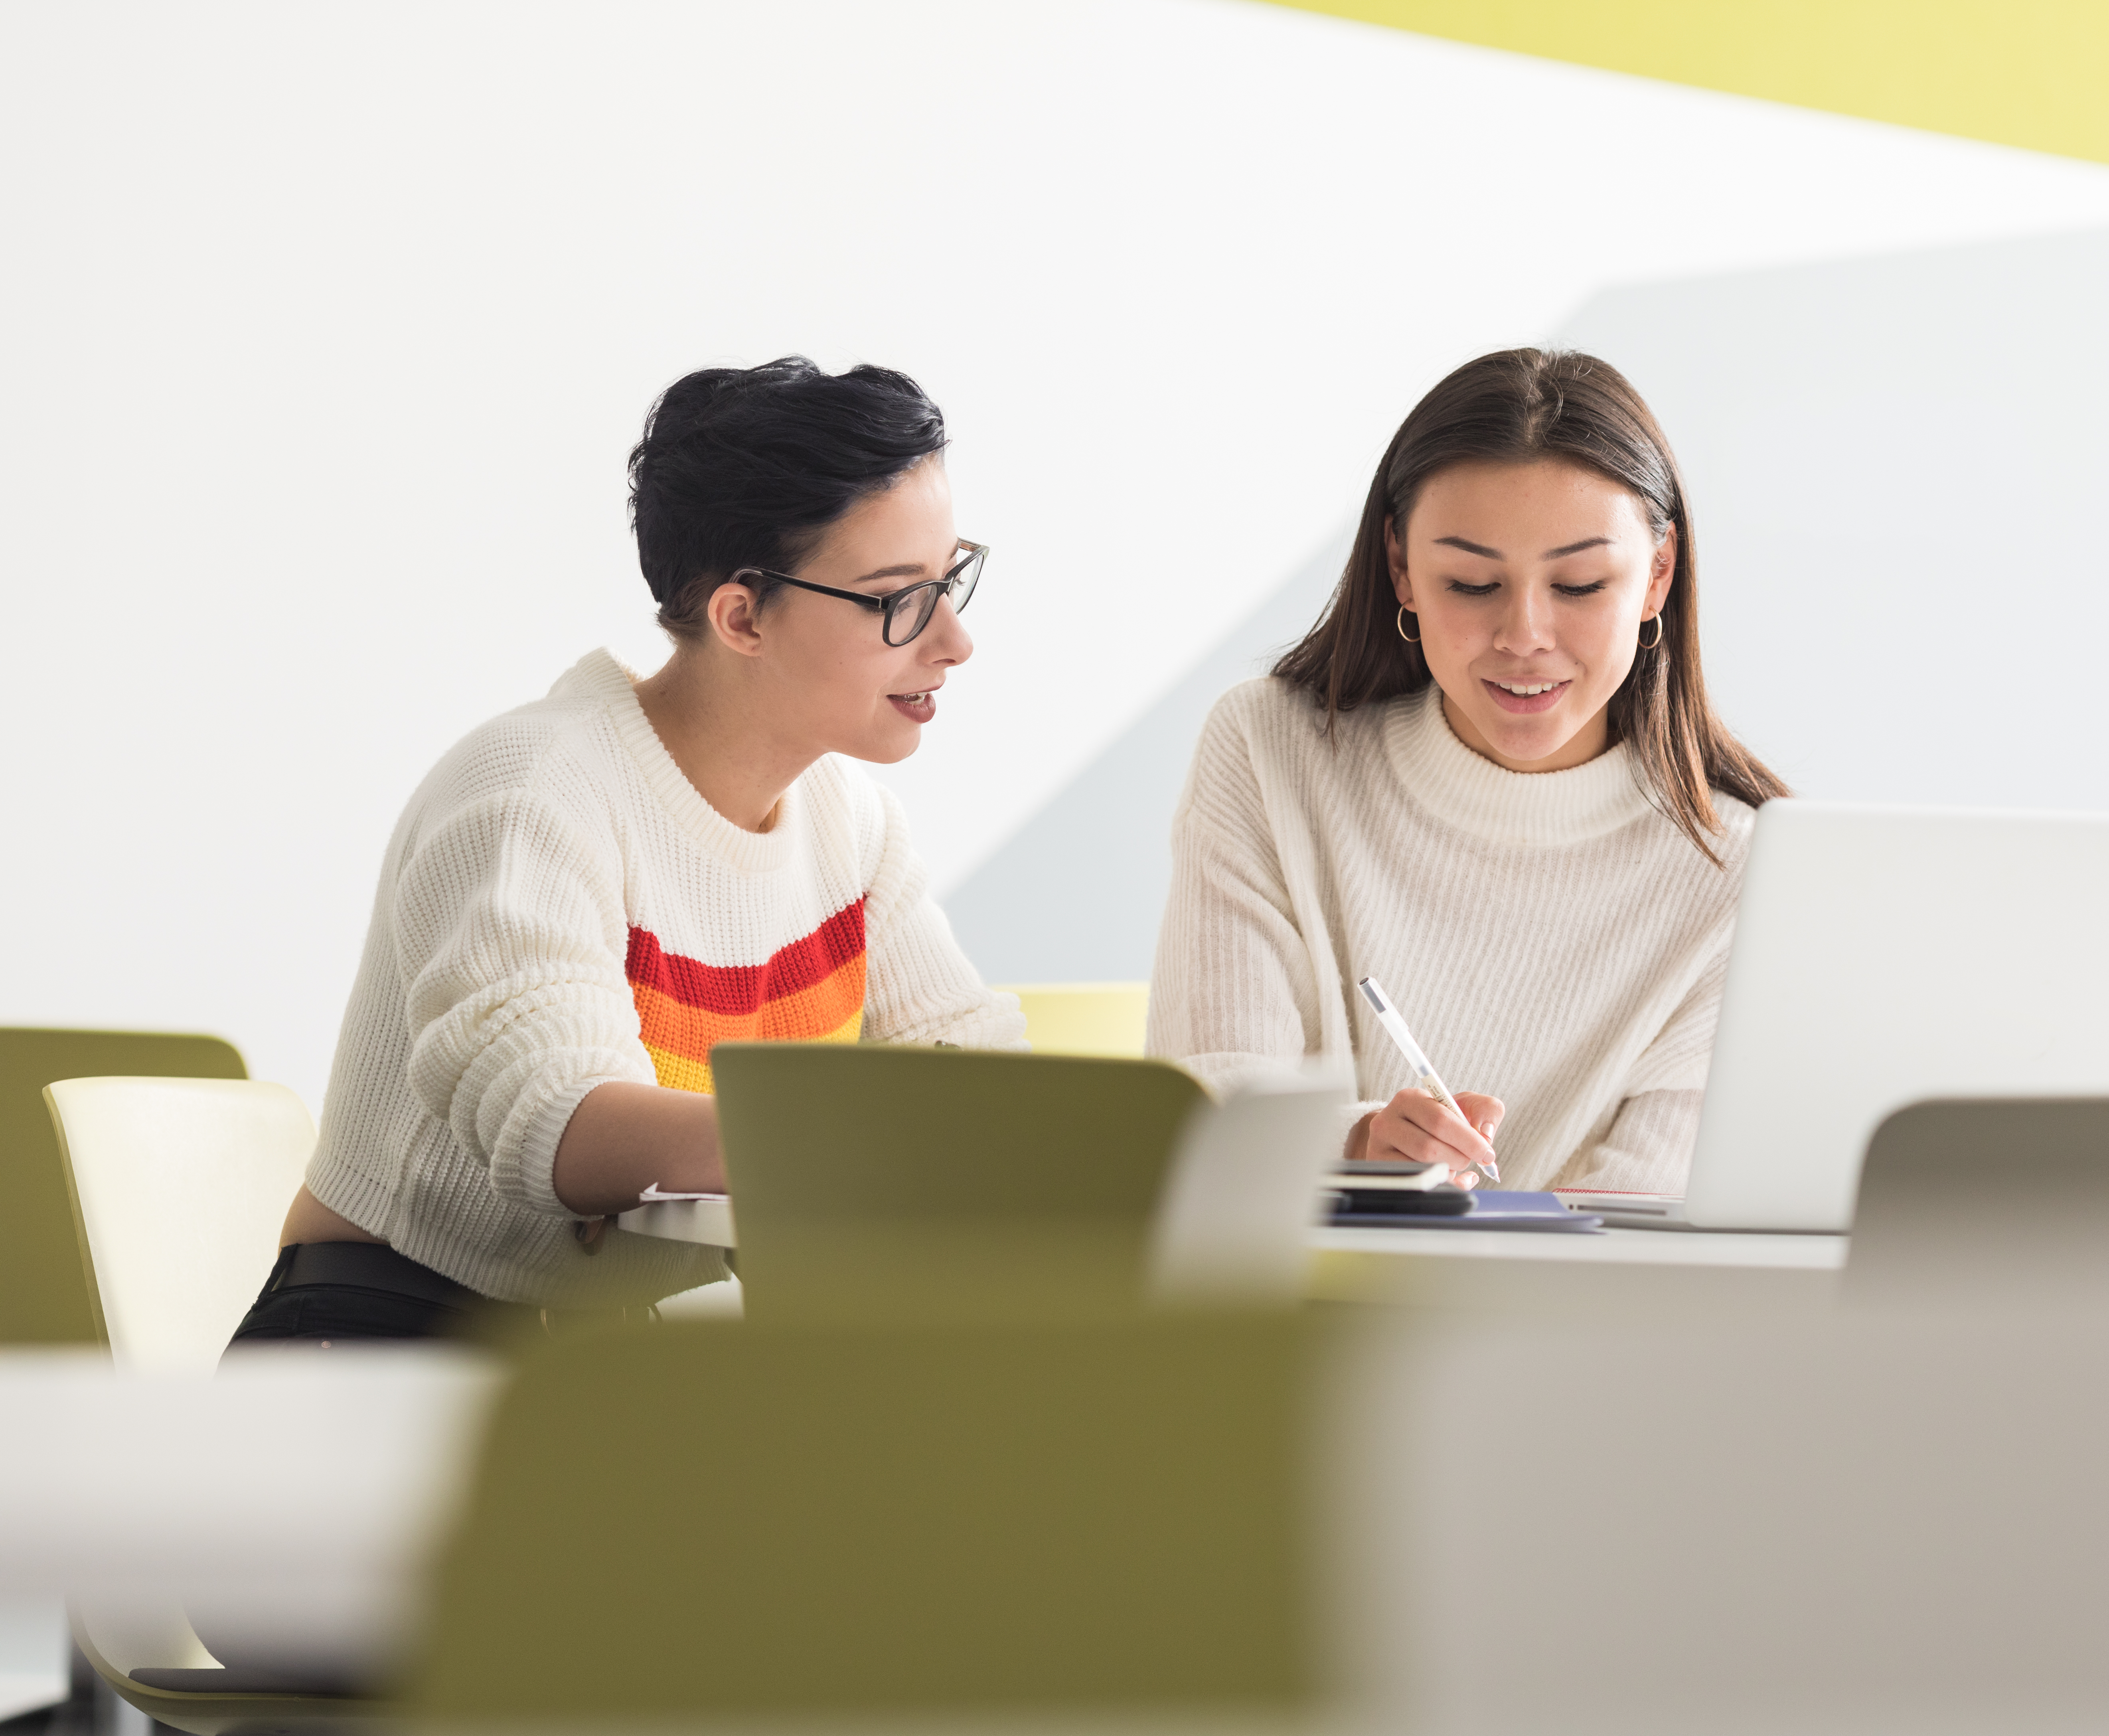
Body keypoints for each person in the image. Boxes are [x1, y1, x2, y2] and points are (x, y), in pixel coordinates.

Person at [236, 358, 1022, 1343]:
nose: (953, 639)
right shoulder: (532, 790)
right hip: (385, 1338)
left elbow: (977, 1074)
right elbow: (565, 1127)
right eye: (898, 597)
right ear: (742, 616)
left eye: (951, 579)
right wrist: (875, 1136)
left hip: (601, 1356)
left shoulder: (850, 821)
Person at [1148, 348, 1788, 1195]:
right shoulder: (1271, 750)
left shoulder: (1746, 871)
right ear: (1403, 571)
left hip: (1584, 1321)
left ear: (1657, 577)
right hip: (1295, 1311)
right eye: (1472, 582)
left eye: (1581, 583)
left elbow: (1654, 1216)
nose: (1524, 634)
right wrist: (1361, 1144)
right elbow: (1207, 1106)